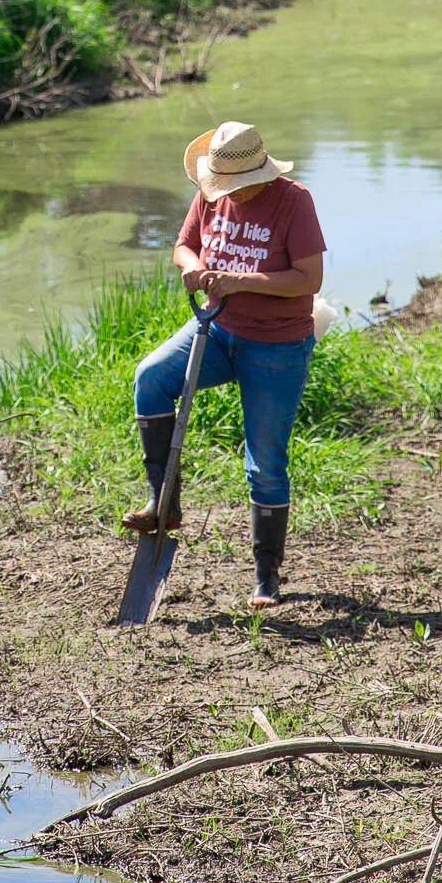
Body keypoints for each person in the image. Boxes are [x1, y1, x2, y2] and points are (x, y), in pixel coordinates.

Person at [125, 118, 324, 608]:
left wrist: (241, 280)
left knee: (265, 462)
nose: (222, 192)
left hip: (276, 345)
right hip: (218, 330)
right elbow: (183, 245)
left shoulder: (293, 201)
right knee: (150, 378)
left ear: (259, 172)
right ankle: (163, 503)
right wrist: (192, 267)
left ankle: (265, 578)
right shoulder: (211, 194)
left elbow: (308, 279)